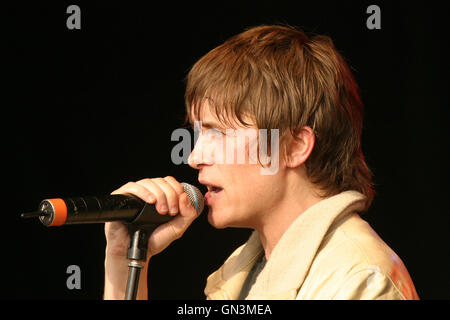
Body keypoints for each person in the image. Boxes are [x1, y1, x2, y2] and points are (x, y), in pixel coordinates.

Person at [103, 25, 419, 300]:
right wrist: (125, 262)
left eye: (219, 133)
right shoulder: (240, 274)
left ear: (295, 146)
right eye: (199, 134)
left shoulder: (360, 280)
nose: (195, 156)